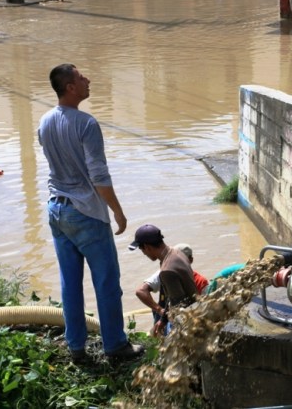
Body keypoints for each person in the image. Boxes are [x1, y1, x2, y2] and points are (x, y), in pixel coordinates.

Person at [38, 64, 144, 363]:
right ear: (70, 87)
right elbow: (99, 176)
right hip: (86, 212)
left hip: (57, 210)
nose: (88, 80)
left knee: (69, 283)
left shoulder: (45, 121)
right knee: (107, 282)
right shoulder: (86, 123)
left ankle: (76, 347)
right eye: (82, 77)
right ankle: (115, 346)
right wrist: (119, 213)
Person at [129, 224, 197, 335]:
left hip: (187, 320)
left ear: (147, 247)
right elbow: (172, 298)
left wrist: (167, 324)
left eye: (142, 250)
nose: (144, 253)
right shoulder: (176, 253)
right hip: (195, 309)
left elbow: (179, 306)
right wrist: (162, 320)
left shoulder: (167, 270)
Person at [135, 243, 209, 336]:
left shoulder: (201, 282)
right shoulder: (166, 272)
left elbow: (206, 309)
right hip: (166, 315)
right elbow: (140, 291)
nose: (178, 263)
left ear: (190, 260)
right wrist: (160, 311)